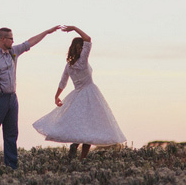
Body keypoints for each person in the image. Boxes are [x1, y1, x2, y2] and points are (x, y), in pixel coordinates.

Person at [0, 25, 61, 169]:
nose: (13, 42)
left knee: (11, 134)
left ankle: (11, 166)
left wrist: (46, 32)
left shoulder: (13, 52)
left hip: (12, 99)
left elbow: (30, 42)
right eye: (11, 39)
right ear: (2, 39)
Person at [32, 26, 126, 159]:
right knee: (90, 127)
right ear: (81, 48)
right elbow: (88, 39)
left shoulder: (69, 65)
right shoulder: (83, 61)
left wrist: (57, 96)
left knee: (82, 126)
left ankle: (75, 146)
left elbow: (62, 82)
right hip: (90, 94)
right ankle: (82, 158)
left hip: (77, 95)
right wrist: (74, 28)